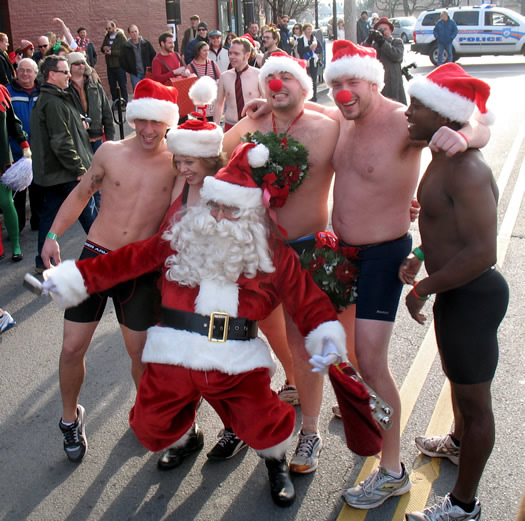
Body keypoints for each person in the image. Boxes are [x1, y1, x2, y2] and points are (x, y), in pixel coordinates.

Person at [42, 140, 348, 508]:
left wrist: (324, 330)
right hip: (177, 351)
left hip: (235, 357)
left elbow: (304, 296)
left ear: (250, 212)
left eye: (230, 208)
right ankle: (187, 439)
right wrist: (77, 276)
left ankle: (275, 463)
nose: (218, 215)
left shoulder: (269, 249)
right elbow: (127, 260)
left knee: (261, 418)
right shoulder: (181, 235)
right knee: (150, 421)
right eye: (214, 204)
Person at [315, 39, 490, 510]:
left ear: (373, 81)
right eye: (336, 83)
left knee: (371, 361)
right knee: (348, 353)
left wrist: (469, 137)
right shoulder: (339, 119)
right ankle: (372, 419)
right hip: (341, 254)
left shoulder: (403, 121)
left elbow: (470, 125)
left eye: (353, 82)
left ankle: (391, 472)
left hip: (380, 256)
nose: (344, 91)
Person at [40, 78, 179, 463]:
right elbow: (82, 192)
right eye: (142, 121)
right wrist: (52, 234)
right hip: (96, 259)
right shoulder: (110, 152)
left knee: (139, 354)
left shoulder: (177, 161)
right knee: (71, 347)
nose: (149, 130)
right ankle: (70, 419)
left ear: (168, 122)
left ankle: (146, 415)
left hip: (139, 267)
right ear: (132, 118)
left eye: (157, 122)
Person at [399, 63, 508, 521]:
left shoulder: (465, 167)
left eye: (417, 105)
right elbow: (449, 228)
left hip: (474, 294)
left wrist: (422, 287)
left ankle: (464, 505)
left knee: (474, 403)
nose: (408, 112)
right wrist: (422, 255)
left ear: (444, 115)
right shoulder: (442, 157)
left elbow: (482, 251)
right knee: (454, 380)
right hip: (455, 291)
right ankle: (457, 443)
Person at [223, 52, 341, 474]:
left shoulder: (329, 127)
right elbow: (220, 152)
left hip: (307, 251)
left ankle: (309, 432)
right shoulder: (255, 124)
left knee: (301, 340)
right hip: (257, 251)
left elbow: (381, 128)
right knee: (249, 333)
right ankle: (255, 411)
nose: (277, 86)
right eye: (270, 79)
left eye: (287, 78)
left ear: (304, 86)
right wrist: (252, 113)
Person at [29, 55, 97, 272]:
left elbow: (62, 134)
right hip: (67, 173)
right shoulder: (53, 102)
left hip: (55, 174)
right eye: (64, 71)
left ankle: (43, 262)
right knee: (91, 216)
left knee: (50, 215)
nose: (69, 75)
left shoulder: (50, 99)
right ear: (52, 74)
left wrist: (80, 125)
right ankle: (109, 254)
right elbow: (60, 141)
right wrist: (79, 170)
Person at [7, 58, 43, 233]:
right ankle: (18, 225)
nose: (25, 74)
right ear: (16, 72)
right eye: (22, 70)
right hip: (15, 150)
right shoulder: (8, 91)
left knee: (38, 188)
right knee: (17, 192)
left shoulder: (42, 91)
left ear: (36, 74)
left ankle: (37, 221)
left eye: (29, 71)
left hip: (39, 149)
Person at [0, 83, 31, 261]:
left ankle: (16, 244)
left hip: (2, 157)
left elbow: (12, 121)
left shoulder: (1, 92)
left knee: (5, 201)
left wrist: (23, 143)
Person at [66, 52, 115, 154]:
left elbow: (107, 114)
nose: (81, 65)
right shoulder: (65, 90)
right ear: (70, 66)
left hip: (97, 138)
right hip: (78, 141)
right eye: (77, 63)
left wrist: (110, 140)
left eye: (83, 63)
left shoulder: (95, 87)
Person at [214, 37, 262, 131]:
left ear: (247, 55)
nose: (231, 57)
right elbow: (219, 104)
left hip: (253, 125)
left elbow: (266, 103)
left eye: (236, 54)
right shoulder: (224, 76)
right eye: (230, 53)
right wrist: (215, 127)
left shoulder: (258, 75)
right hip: (230, 126)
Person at [364, 17, 406, 104]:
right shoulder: (374, 46)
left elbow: (397, 55)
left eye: (385, 29)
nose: (383, 32)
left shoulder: (397, 42)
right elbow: (363, 55)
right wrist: (369, 40)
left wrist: (382, 42)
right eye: (380, 30)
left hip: (394, 84)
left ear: (391, 31)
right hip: (379, 84)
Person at [186, 42, 220, 121]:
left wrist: (215, 83)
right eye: (204, 51)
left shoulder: (212, 63)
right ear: (198, 51)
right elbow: (188, 82)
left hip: (212, 100)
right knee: (201, 123)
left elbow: (220, 77)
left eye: (208, 50)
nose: (207, 53)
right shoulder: (191, 66)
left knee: (212, 123)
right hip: (199, 102)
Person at [120, 24, 156, 90]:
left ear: (138, 32)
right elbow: (122, 60)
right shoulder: (126, 46)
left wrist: (150, 68)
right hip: (135, 75)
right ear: (129, 34)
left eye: (135, 31)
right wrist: (131, 70)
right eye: (132, 32)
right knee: (138, 93)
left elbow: (154, 56)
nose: (134, 34)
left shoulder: (146, 43)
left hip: (147, 73)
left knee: (149, 92)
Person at [101, 20, 128, 104]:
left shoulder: (121, 37)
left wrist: (112, 52)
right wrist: (104, 48)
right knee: (112, 86)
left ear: (114, 27)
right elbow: (102, 47)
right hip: (110, 65)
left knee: (122, 85)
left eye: (110, 28)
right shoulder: (107, 37)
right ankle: (116, 102)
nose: (108, 30)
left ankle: (125, 103)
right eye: (107, 28)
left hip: (119, 65)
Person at [297, 23, 322, 102]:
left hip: (313, 61)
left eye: (311, 29)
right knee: (306, 79)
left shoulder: (314, 39)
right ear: (304, 31)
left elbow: (320, 49)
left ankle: (314, 98)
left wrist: (315, 50)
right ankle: (307, 98)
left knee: (314, 80)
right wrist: (309, 48)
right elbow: (300, 50)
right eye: (308, 29)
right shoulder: (301, 40)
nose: (310, 31)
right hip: (305, 61)